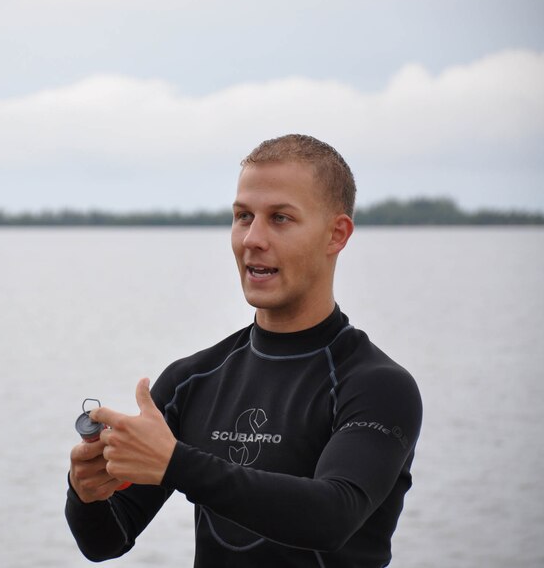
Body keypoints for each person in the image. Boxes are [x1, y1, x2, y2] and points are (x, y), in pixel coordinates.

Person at [65, 134, 422, 567]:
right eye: (243, 216)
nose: (252, 238)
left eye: (281, 218)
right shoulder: (191, 381)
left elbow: (333, 516)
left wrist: (175, 463)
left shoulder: (376, 385)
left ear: (336, 234)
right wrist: (85, 491)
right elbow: (106, 541)